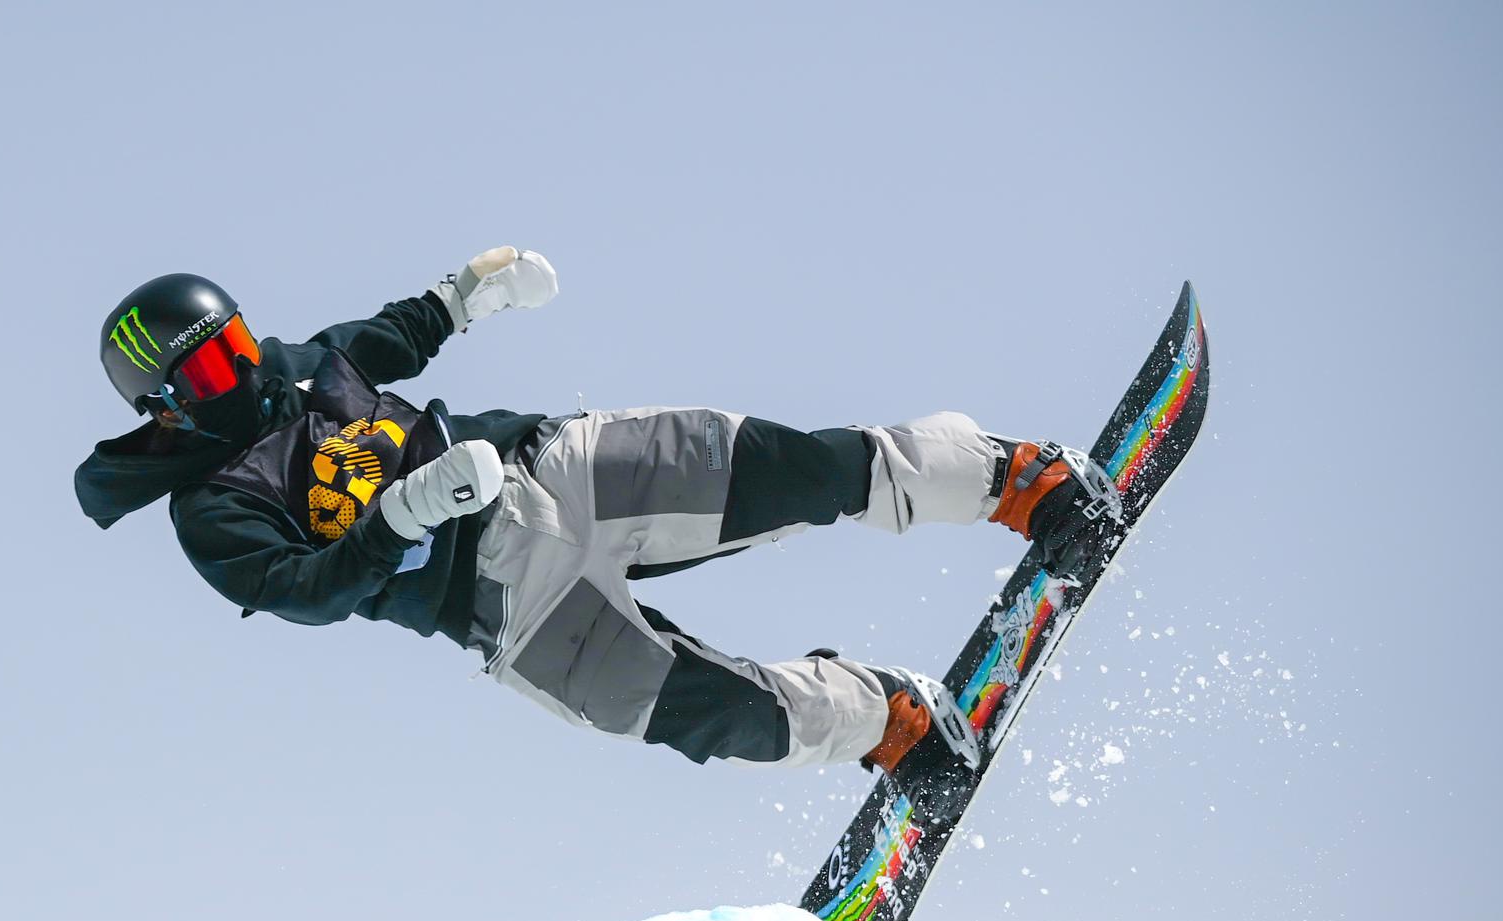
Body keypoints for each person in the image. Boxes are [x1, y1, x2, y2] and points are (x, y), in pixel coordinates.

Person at [77, 248, 1104, 779]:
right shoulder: (212, 512)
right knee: (709, 714)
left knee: (783, 469)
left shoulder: (294, 370)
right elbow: (300, 593)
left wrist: (463, 291)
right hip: (504, 604)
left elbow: (385, 341)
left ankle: (1013, 481)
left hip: (549, 470)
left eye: (238, 341)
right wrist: (402, 517)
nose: (243, 370)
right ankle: (886, 722)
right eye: (210, 366)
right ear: (166, 401)